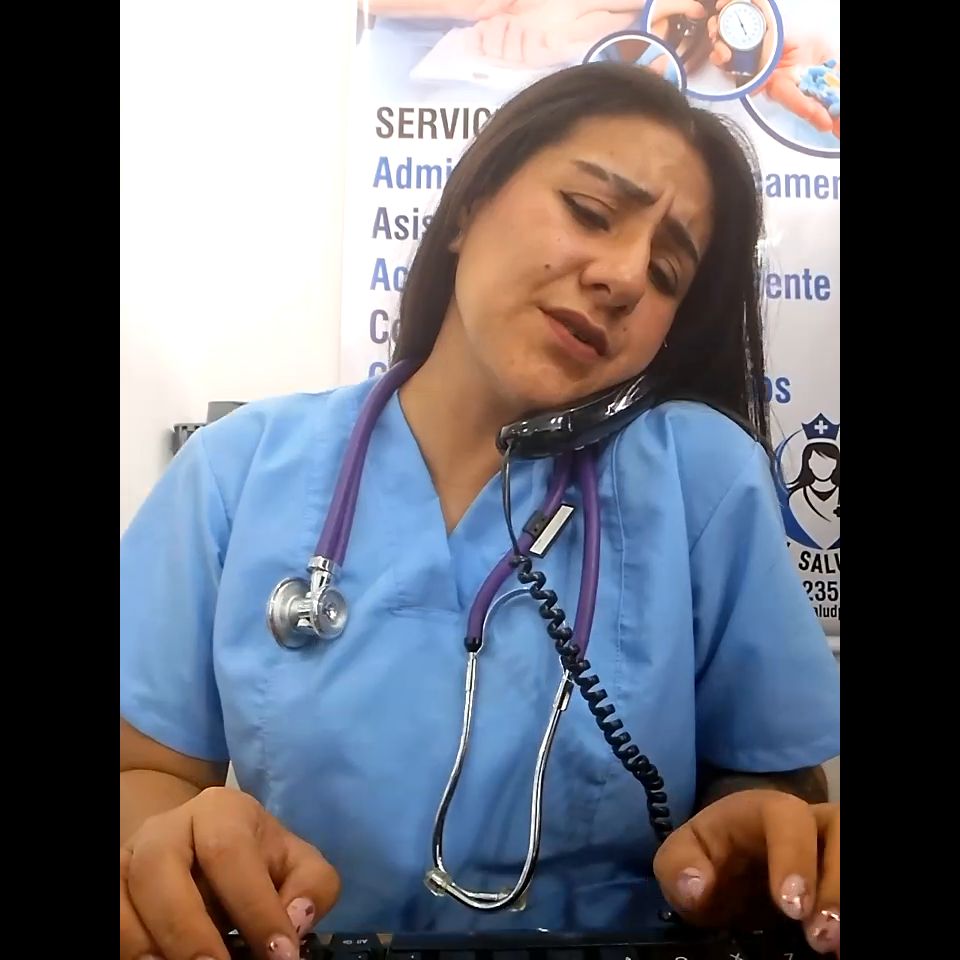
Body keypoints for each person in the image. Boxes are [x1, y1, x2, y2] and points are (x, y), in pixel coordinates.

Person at [119, 62, 841, 960]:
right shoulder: (234, 472)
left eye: (665, 272)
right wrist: (174, 840)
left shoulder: (704, 478)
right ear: (467, 207)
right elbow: (145, 770)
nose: (623, 276)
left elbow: (775, 782)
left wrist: (751, 846)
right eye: (590, 211)